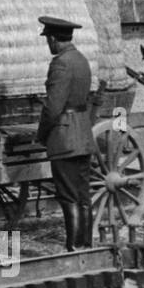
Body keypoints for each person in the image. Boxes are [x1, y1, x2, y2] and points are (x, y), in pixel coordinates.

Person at [35, 15, 94, 251]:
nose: (48, 44)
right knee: (82, 193)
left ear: (53, 39)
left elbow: (53, 107)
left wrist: (41, 135)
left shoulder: (60, 63)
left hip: (64, 138)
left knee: (68, 194)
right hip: (83, 134)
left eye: (48, 39)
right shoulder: (81, 60)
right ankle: (86, 244)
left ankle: (73, 247)